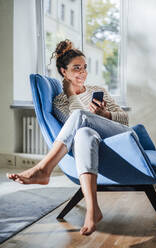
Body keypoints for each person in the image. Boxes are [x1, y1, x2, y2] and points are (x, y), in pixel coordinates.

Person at [7, 39, 134, 236]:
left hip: (119, 138)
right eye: (76, 68)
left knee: (81, 118)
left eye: (84, 68)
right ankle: (93, 209)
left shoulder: (97, 90)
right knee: (83, 133)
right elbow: (74, 129)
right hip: (93, 144)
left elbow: (125, 120)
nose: (82, 72)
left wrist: (105, 116)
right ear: (63, 72)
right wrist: (70, 95)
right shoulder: (59, 101)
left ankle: (43, 169)